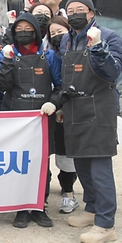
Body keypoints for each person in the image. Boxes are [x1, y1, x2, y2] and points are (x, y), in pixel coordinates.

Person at [55, 0, 122, 243]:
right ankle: (92, 209)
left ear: (91, 13)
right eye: (70, 10)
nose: (74, 13)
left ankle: (106, 224)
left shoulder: (108, 36)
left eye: (80, 9)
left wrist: (98, 48)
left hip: (98, 108)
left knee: (100, 167)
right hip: (75, 108)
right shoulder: (66, 39)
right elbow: (67, 75)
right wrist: (62, 104)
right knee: (82, 164)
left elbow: (113, 72)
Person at [0, 12, 61, 229]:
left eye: (28, 29)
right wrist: (5, 61)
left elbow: (60, 84)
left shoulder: (48, 55)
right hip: (16, 119)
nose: (23, 33)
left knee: (42, 163)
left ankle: (39, 206)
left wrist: (54, 102)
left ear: (36, 31)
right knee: (19, 163)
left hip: (42, 118)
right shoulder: (8, 53)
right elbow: (2, 85)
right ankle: (21, 208)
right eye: (19, 30)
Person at [47, 15, 79, 213]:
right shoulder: (49, 56)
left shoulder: (78, 52)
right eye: (53, 34)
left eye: (61, 32)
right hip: (50, 107)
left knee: (66, 154)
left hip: (71, 109)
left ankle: (68, 193)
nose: (57, 36)